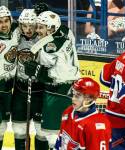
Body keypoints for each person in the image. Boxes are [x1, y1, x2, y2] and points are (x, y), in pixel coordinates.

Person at [24, 10, 80, 149]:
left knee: (53, 135)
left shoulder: (51, 46)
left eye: (41, 27)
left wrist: (37, 70)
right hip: (67, 90)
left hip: (57, 92)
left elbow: (58, 74)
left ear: (51, 28)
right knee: (61, 132)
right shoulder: (65, 34)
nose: (37, 30)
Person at [10, 9, 44, 150]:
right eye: (25, 26)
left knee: (42, 132)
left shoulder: (44, 37)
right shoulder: (15, 35)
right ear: (20, 25)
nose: (28, 29)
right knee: (19, 130)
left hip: (39, 89)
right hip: (20, 89)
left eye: (31, 25)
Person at [54, 77, 112, 150]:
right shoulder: (69, 111)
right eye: (73, 94)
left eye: (77, 96)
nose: (73, 98)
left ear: (89, 99)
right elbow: (60, 140)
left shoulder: (97, 126)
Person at [0, 5, 19, 149]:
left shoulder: (16, 32)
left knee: (3, 127)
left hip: (9, 87)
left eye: (6, 21)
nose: (3, 25)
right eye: (0, 21)